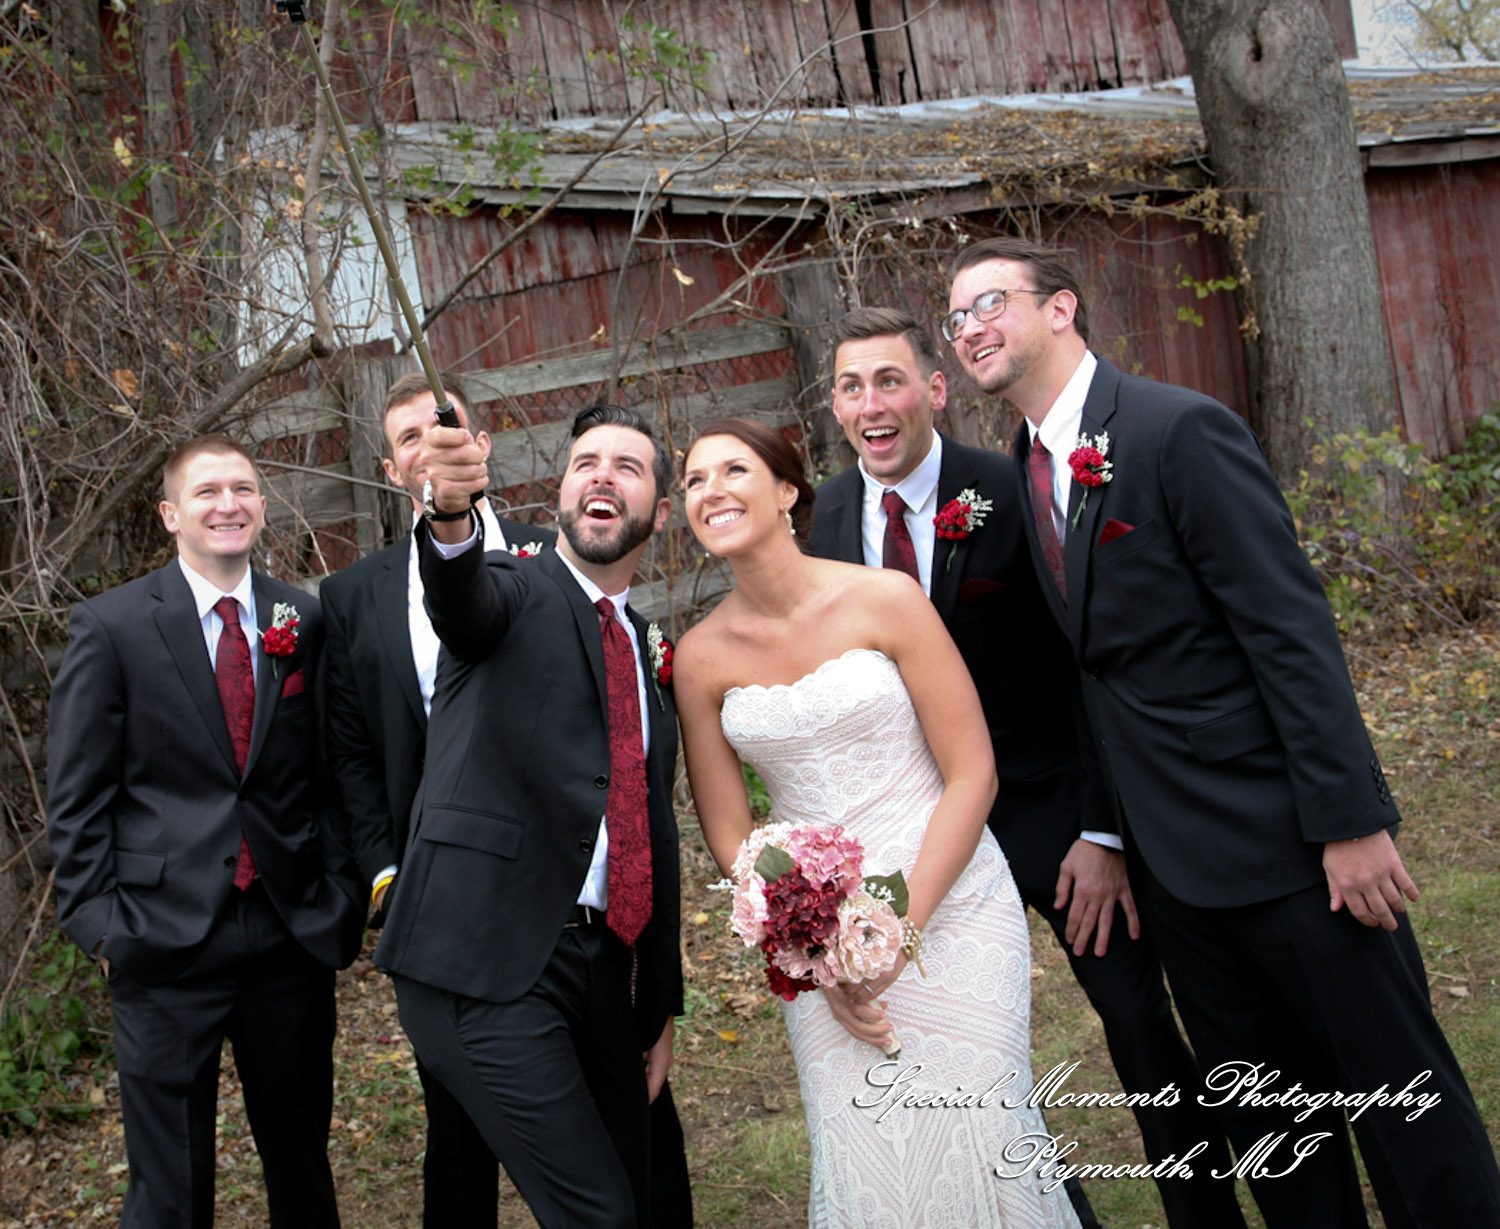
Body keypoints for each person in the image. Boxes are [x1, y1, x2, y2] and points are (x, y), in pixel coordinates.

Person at [944, 234, 1500, 1228]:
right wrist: (1109, 833)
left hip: (1290, 846)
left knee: (1404, 1111)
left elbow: (1288, 632)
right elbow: (1094, 676)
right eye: (956, 319)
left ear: (1061, 308)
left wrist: (1350, 821)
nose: (970, 329)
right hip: (1175, 875)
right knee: (1279, 1138)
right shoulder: (1027, 468)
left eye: (990, 303)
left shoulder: (1175, 430)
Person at [810, 306, 1242, 1229]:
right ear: (835, 405)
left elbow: (1087, 665)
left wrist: (1102, 828)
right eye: (851, 386)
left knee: (1137, 1023)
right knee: (963, 1043)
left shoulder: (1010, 489)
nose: (870, 403)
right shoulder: (833, 514)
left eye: (889, 380)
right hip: (922, 831)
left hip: (1052, 813)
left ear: (934, 389)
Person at [675, 416, 1079, 1229]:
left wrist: (899, 928)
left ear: (788, 489)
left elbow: (973, 772)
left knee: (981, 1132)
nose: (709, 489)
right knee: (865, 1148)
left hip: (951, 900)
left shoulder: (886, 598)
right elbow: (729, 831)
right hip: (819, 942)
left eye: (732, 470)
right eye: (691, 480)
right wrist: (812, 939)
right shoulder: (700, 656)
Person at [375, 403, 683, 1229]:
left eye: (628, 466)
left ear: (658, 508)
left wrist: (658, 1003)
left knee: (642, 1193)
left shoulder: (645, 643)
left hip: (599, 969)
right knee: (599, 1214)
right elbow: (460, 593)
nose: (602, 476)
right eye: (586, 462)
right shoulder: (516, 585)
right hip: (484, 961)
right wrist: (449, 512)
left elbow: (648, 829)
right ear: (560, 491)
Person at [46, 433, 365, 1229]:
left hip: (288, 931)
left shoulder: (304, 617)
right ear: (170, 514)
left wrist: (337, 892)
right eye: (208, 492)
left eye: (244, 488)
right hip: (163, 940)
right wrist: (103, 926)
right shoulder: (112, 627)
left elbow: (330, 771)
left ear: (262, 504)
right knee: (169, 1187)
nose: (229, 504)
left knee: (301, 1161)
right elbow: (77, 798)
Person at [321, 373, 551, 1227]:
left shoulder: (547, 555)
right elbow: (349, 750)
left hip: (549, 875)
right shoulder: (353, 596)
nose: (430, 442)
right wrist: (385, 874)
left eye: (443, 425)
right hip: (433, 888)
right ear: (392, 468)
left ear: (480, 444)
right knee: (457, 1114)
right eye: (408, 436)